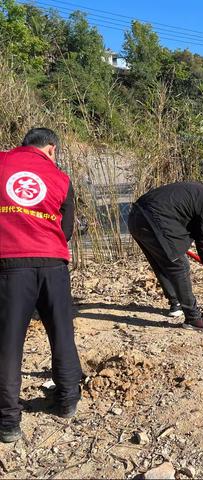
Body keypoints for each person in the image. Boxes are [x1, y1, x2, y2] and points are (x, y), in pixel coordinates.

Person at [0, 128, 82, 443]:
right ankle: (66, 403)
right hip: (53, 263)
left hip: (9, 264)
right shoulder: (60, 177)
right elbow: (67, 228)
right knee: (62, 332)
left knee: (8, 344)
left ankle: (8, 423)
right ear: (50, 148)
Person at [128, 180, 203, 332]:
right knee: (180, 266)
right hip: (154, 220)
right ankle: (193, 318)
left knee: (164, 262)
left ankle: (176, 303)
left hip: (136, 217)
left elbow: (192, 224)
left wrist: (178, 244)